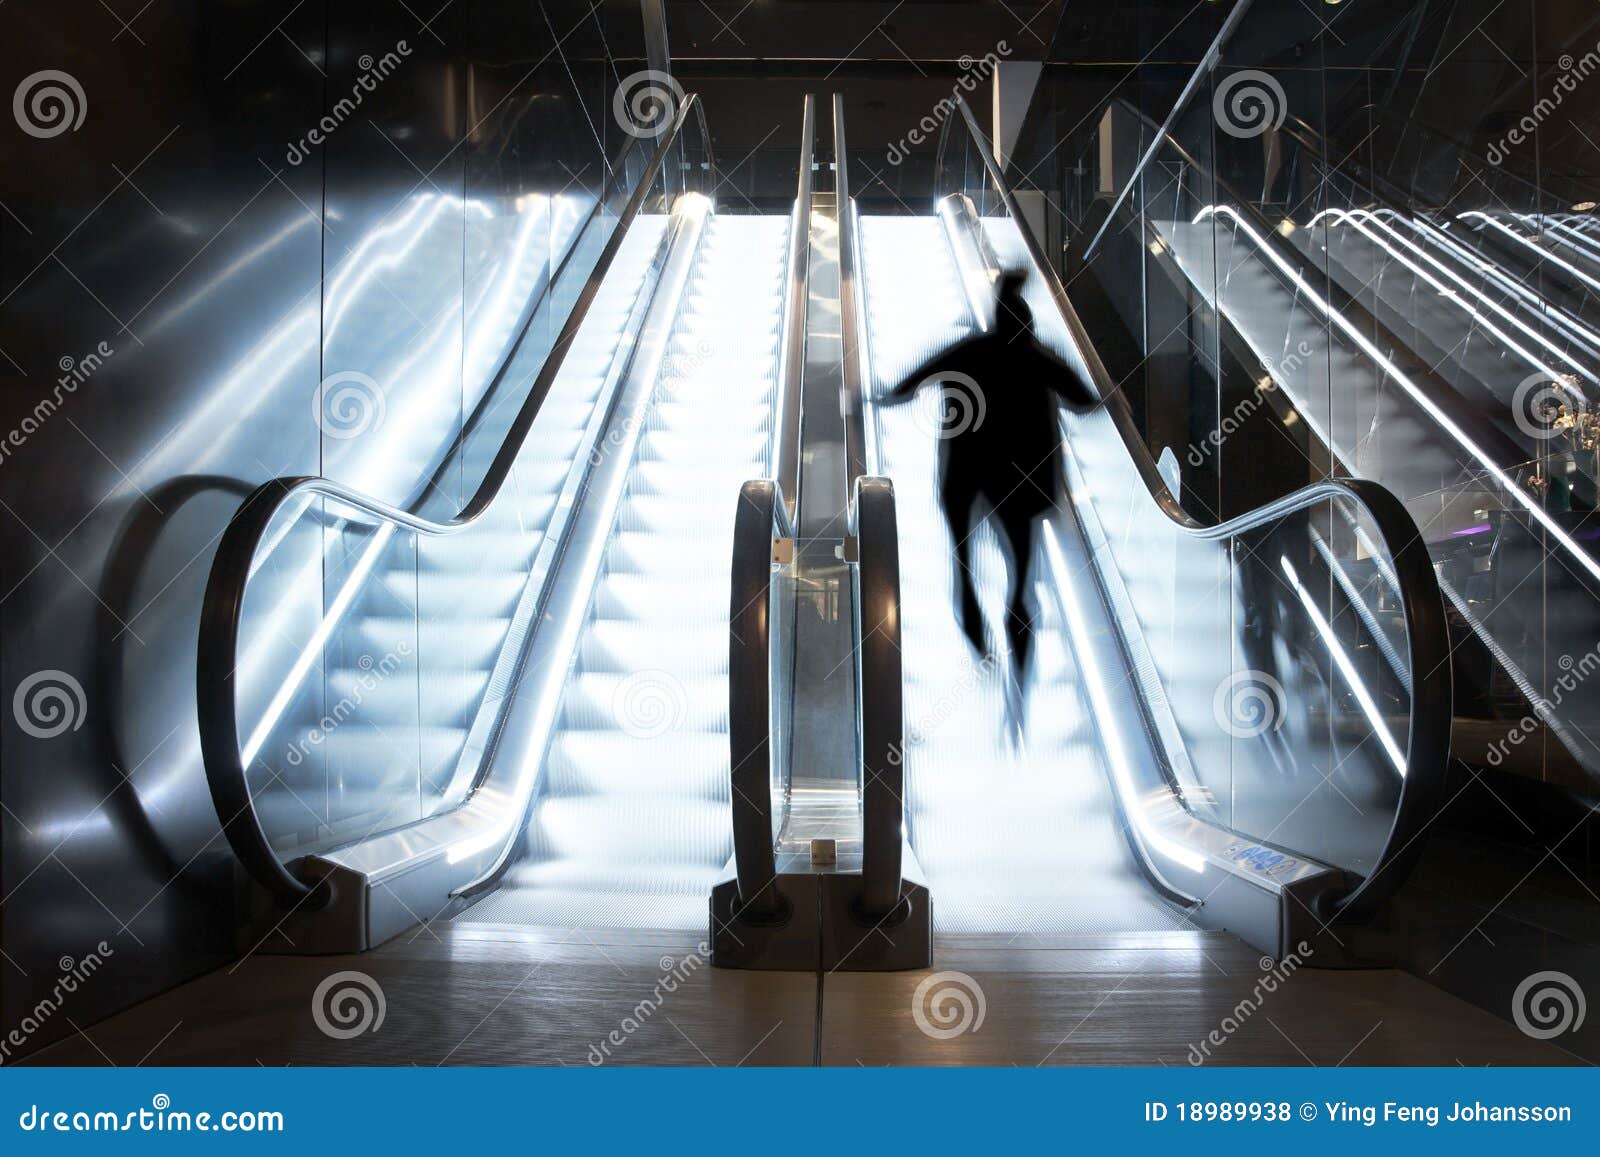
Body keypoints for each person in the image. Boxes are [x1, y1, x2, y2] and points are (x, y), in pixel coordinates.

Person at [881, 269, 1098, 688]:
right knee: (1021, 571)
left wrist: (879, 397)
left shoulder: (970, 351)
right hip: (1018, 482)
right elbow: (1085, 400)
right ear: (1027, 324)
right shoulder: (1036, 358)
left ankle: (975, 631)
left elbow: (911, 383)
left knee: (962, 558)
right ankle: (1020, 668)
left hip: (964, 477)